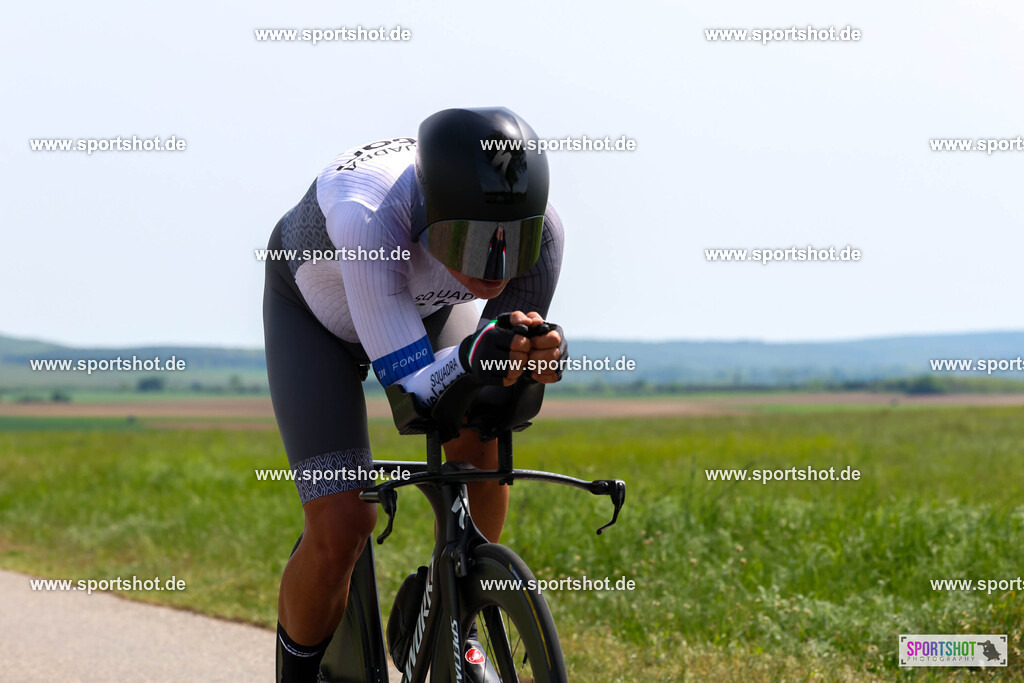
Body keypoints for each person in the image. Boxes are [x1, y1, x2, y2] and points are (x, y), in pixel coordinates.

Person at [263, 107, 567, 682]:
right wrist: (479, 357)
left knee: (482, 450)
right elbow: (414, 400)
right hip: (316, 319)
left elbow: (495, 394)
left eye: (514, 242)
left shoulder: (545, 230)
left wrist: (530, 360)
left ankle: (451, 611)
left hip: (426, 313)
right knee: (342, 523)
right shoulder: (368, 215)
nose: (495, 266)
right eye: (470, 243)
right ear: (430, 216)